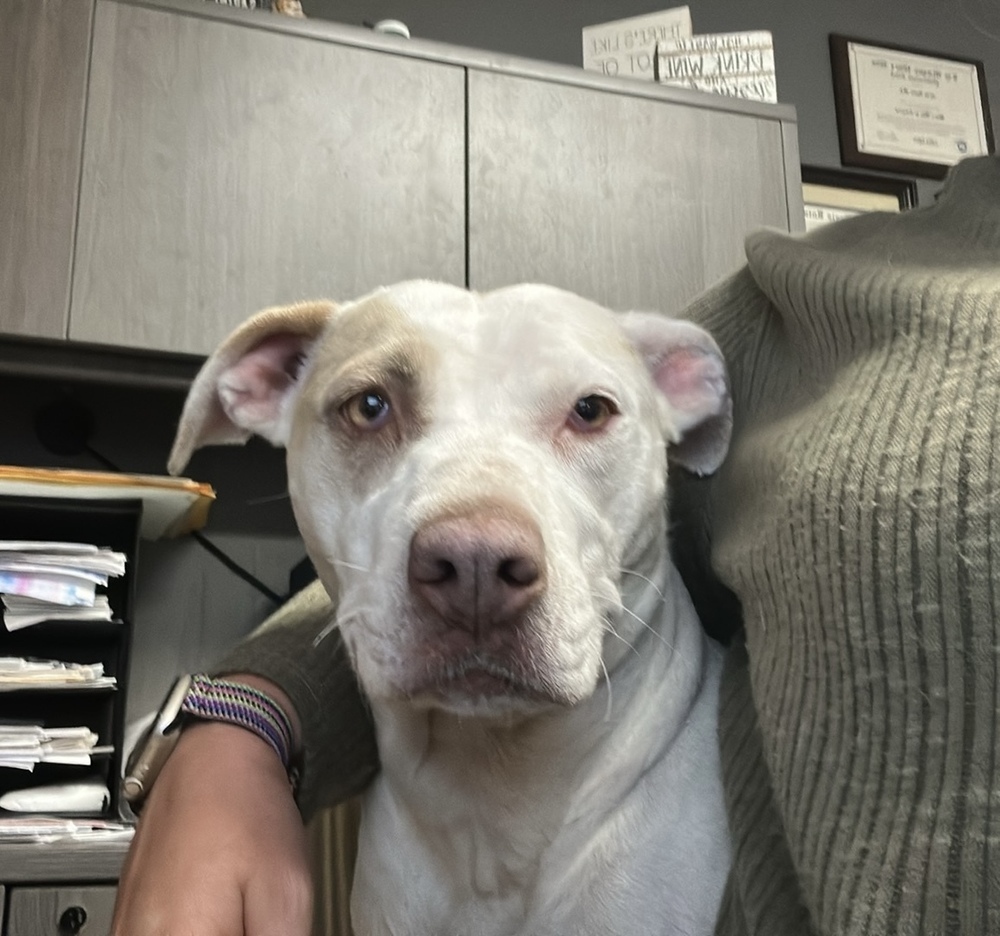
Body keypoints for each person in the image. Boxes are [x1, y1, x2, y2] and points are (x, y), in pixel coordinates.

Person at [112, 154, 1000, 936]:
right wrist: (236, 726)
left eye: (586, 412)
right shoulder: (784, 309)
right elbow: (371, 585)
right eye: (370, 408)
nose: (476, 549)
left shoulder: (681, 367)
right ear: (259, 388)